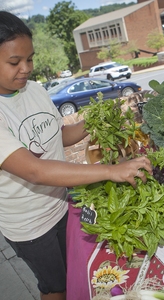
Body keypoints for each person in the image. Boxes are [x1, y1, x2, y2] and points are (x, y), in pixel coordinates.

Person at [0, 11, 152, 300]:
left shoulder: (35, 89)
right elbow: (34, 170)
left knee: (73, 274)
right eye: (14, 62)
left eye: (30, 59)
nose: (26, 68)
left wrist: (94, 124)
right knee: (54, 286)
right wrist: (110, 170)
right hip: (30, 226)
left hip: (60, 205)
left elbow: (59, 134)